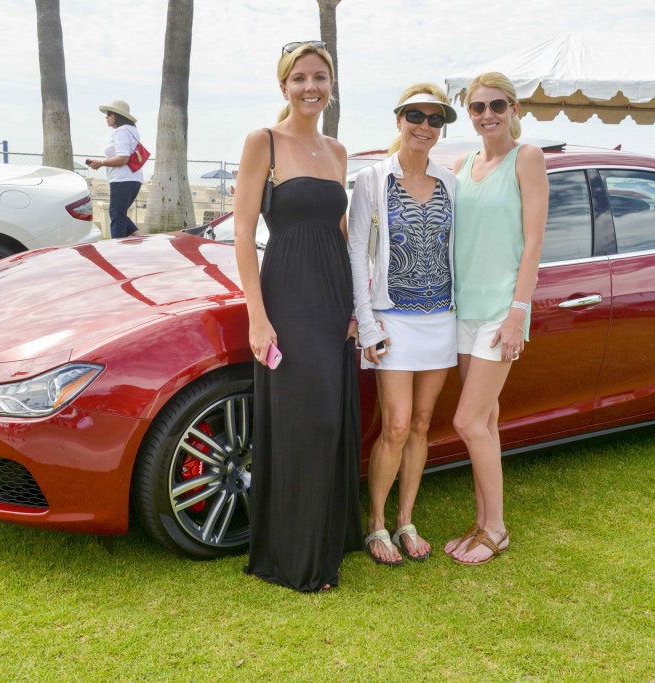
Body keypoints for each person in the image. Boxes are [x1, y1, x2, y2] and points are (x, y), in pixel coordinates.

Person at [234, 40, 362, 592]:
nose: (311, 87)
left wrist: (357, 308)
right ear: (283, 85)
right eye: (300, 78)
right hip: (287, 291)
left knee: (332, 419)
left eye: (321, 77)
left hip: (334, 296)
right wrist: (256, 317)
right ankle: (298, 558)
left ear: (332, 85)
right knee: (306, 421)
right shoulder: (263, 141)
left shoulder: (338, 151)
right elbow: (242, 233)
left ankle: (327, 538)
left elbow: (343, 233)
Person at [347, 84, 458, 565]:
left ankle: (406, 521)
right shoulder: (372, 179)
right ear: (399, 120)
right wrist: (367, 324)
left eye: (435, 119)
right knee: (393, 424)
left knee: (421, 423)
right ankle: (375, 522)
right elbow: (356, 253)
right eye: (416, 115)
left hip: (442, 317)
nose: (425, 126)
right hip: (393, 318)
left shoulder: (451, 180)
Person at [444, 72, 548, 566]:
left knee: (466, 420)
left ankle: (498, 530)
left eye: (497, 106)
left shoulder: (527, 159)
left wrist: (517, 315)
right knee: (485, 419)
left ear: (514, 108)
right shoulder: (464, 164)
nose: (487, 115)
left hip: (501, 312)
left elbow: (533, 242)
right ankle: (483, 521)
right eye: (478, 107)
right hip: (462, 309)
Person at [87, 100, 143, 238]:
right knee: (119, 214)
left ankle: (117, 250)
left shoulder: (121, 131)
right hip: (134, 178)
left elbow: (123, 158)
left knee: (117, 215)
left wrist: (101, 162)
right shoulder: (132, 131)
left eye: (109, 114)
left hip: (122, 179)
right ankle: (143, 239)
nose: (106, 117)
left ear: (117, 116)